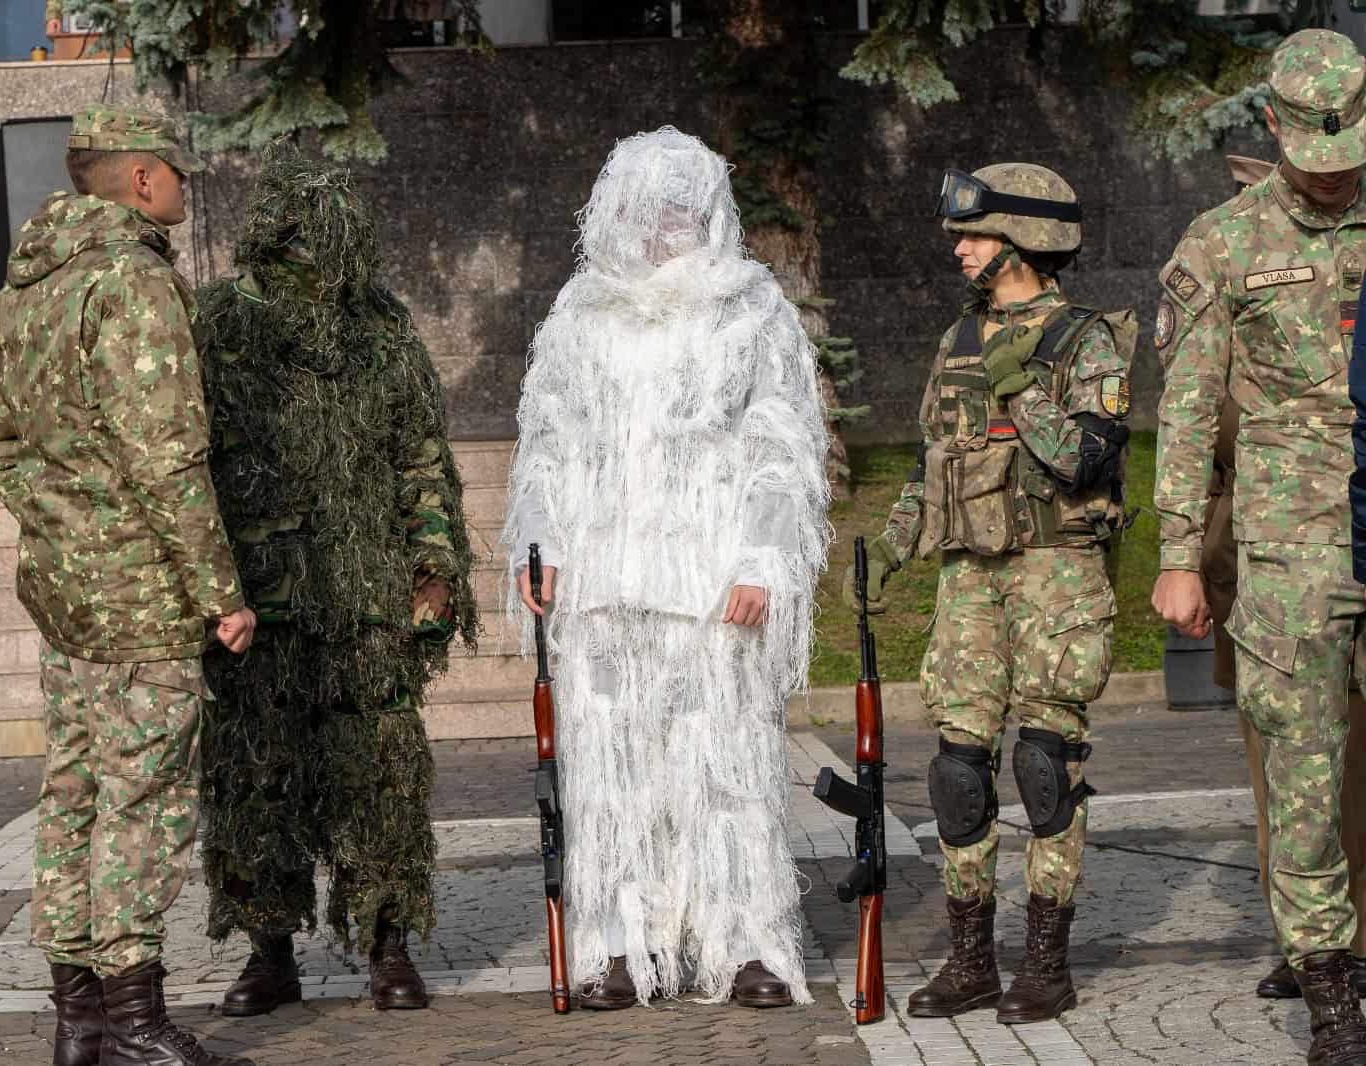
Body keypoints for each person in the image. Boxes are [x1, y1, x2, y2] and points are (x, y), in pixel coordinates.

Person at [501, 126, 830, 1010]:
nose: (668, 225)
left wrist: (765, 556)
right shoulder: (581, 312)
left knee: (723, 768)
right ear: (620, 211)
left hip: (710, 586)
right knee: (612, 776)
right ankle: (618, 946)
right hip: (606, 590)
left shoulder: (751, 308)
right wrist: (543, 546)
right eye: (653, 209)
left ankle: (749, 944)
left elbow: (782, 446)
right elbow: (547, 444)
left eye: (686, 207)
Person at [0, 104, 255, 1066]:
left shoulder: (30, 285)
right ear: (141, 179)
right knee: (143, 803)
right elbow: (169, 458)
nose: (183, 186)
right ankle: (134, 1023)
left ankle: (79, 1022)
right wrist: (223, 593)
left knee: (75, 795)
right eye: (175, 172)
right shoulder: (134, 283)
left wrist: (60, 523)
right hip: (138, 598)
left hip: (65, 593)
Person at [193, 144, 479, 1015]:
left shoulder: (382, 330)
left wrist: (433, 576)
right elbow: (184, 466)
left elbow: (419, 460)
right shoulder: (217, 327)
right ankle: (269, 950)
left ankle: (389, 941)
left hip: (366, 604)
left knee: (380, 774)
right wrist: (201, 589)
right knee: (254, 780)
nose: (307, 263)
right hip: (255, 608)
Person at [854, 163, 1133, 1025]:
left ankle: (1045, 965)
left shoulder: (1089, 338)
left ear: (1020, 242)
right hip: (969, 576)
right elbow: (933, 461)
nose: (961, 252)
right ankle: (970, 960)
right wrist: (894, 546)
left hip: (1057, 572)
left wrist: (1023, 391)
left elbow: (1088, 454)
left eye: (972, 238)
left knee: (1045, 766)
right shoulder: (957, 340)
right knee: (957, 772)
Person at [1153, 28, 1366, 1064]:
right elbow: (1187, 412)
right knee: (1303, 775)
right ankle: (1330, 992)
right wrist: (1179, 550)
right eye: (1317, 165)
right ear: (1273, 127)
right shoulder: (1222, 243)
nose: (1334, 185)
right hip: (1289, 550)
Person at [1199, 153, 1366, 1004]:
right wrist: (1194, 560)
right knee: (1286, 761)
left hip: (1335, 539)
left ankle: (1350, 934)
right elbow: (1204, 444)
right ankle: (1307, 945)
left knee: (1348, 767)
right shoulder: (1227, 278)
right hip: (1264, 558)